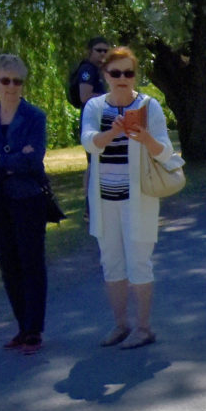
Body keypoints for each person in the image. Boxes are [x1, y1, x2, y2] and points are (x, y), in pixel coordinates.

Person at [81, 46, 176, 349]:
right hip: (105, 199)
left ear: (135, 75)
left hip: (139, 199)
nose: (122, 78)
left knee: (139, 263)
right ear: (105, 75)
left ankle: (144, 327)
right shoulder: (96, 107)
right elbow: (90, 143)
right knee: (111, 263)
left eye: (128, 73)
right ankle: (121, 324)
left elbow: (166, 152)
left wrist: (144, 136)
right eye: (115, 73)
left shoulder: (150, 106)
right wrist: (112, 132)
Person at [0, 54, 50, 356]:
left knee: (31, 262)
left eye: (17, 80)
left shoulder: (34, 116)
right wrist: (11, 161)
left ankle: (34, 331)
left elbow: (34, 160)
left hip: (28, 197)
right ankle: (21, 326)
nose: (12, 86)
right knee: (8, 265)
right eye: (5, 80)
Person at [70, 37, 110, 204]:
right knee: (94, 162)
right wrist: (112, 96)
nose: (102, 54)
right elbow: (84, 96)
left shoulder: (99, 70)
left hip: (101, 120)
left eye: (106, 51)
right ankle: (90, 202)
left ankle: (96, 199)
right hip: (91, 122)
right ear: (90, 52)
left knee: (98, 162)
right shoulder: (88, 69)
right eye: (99, 50)